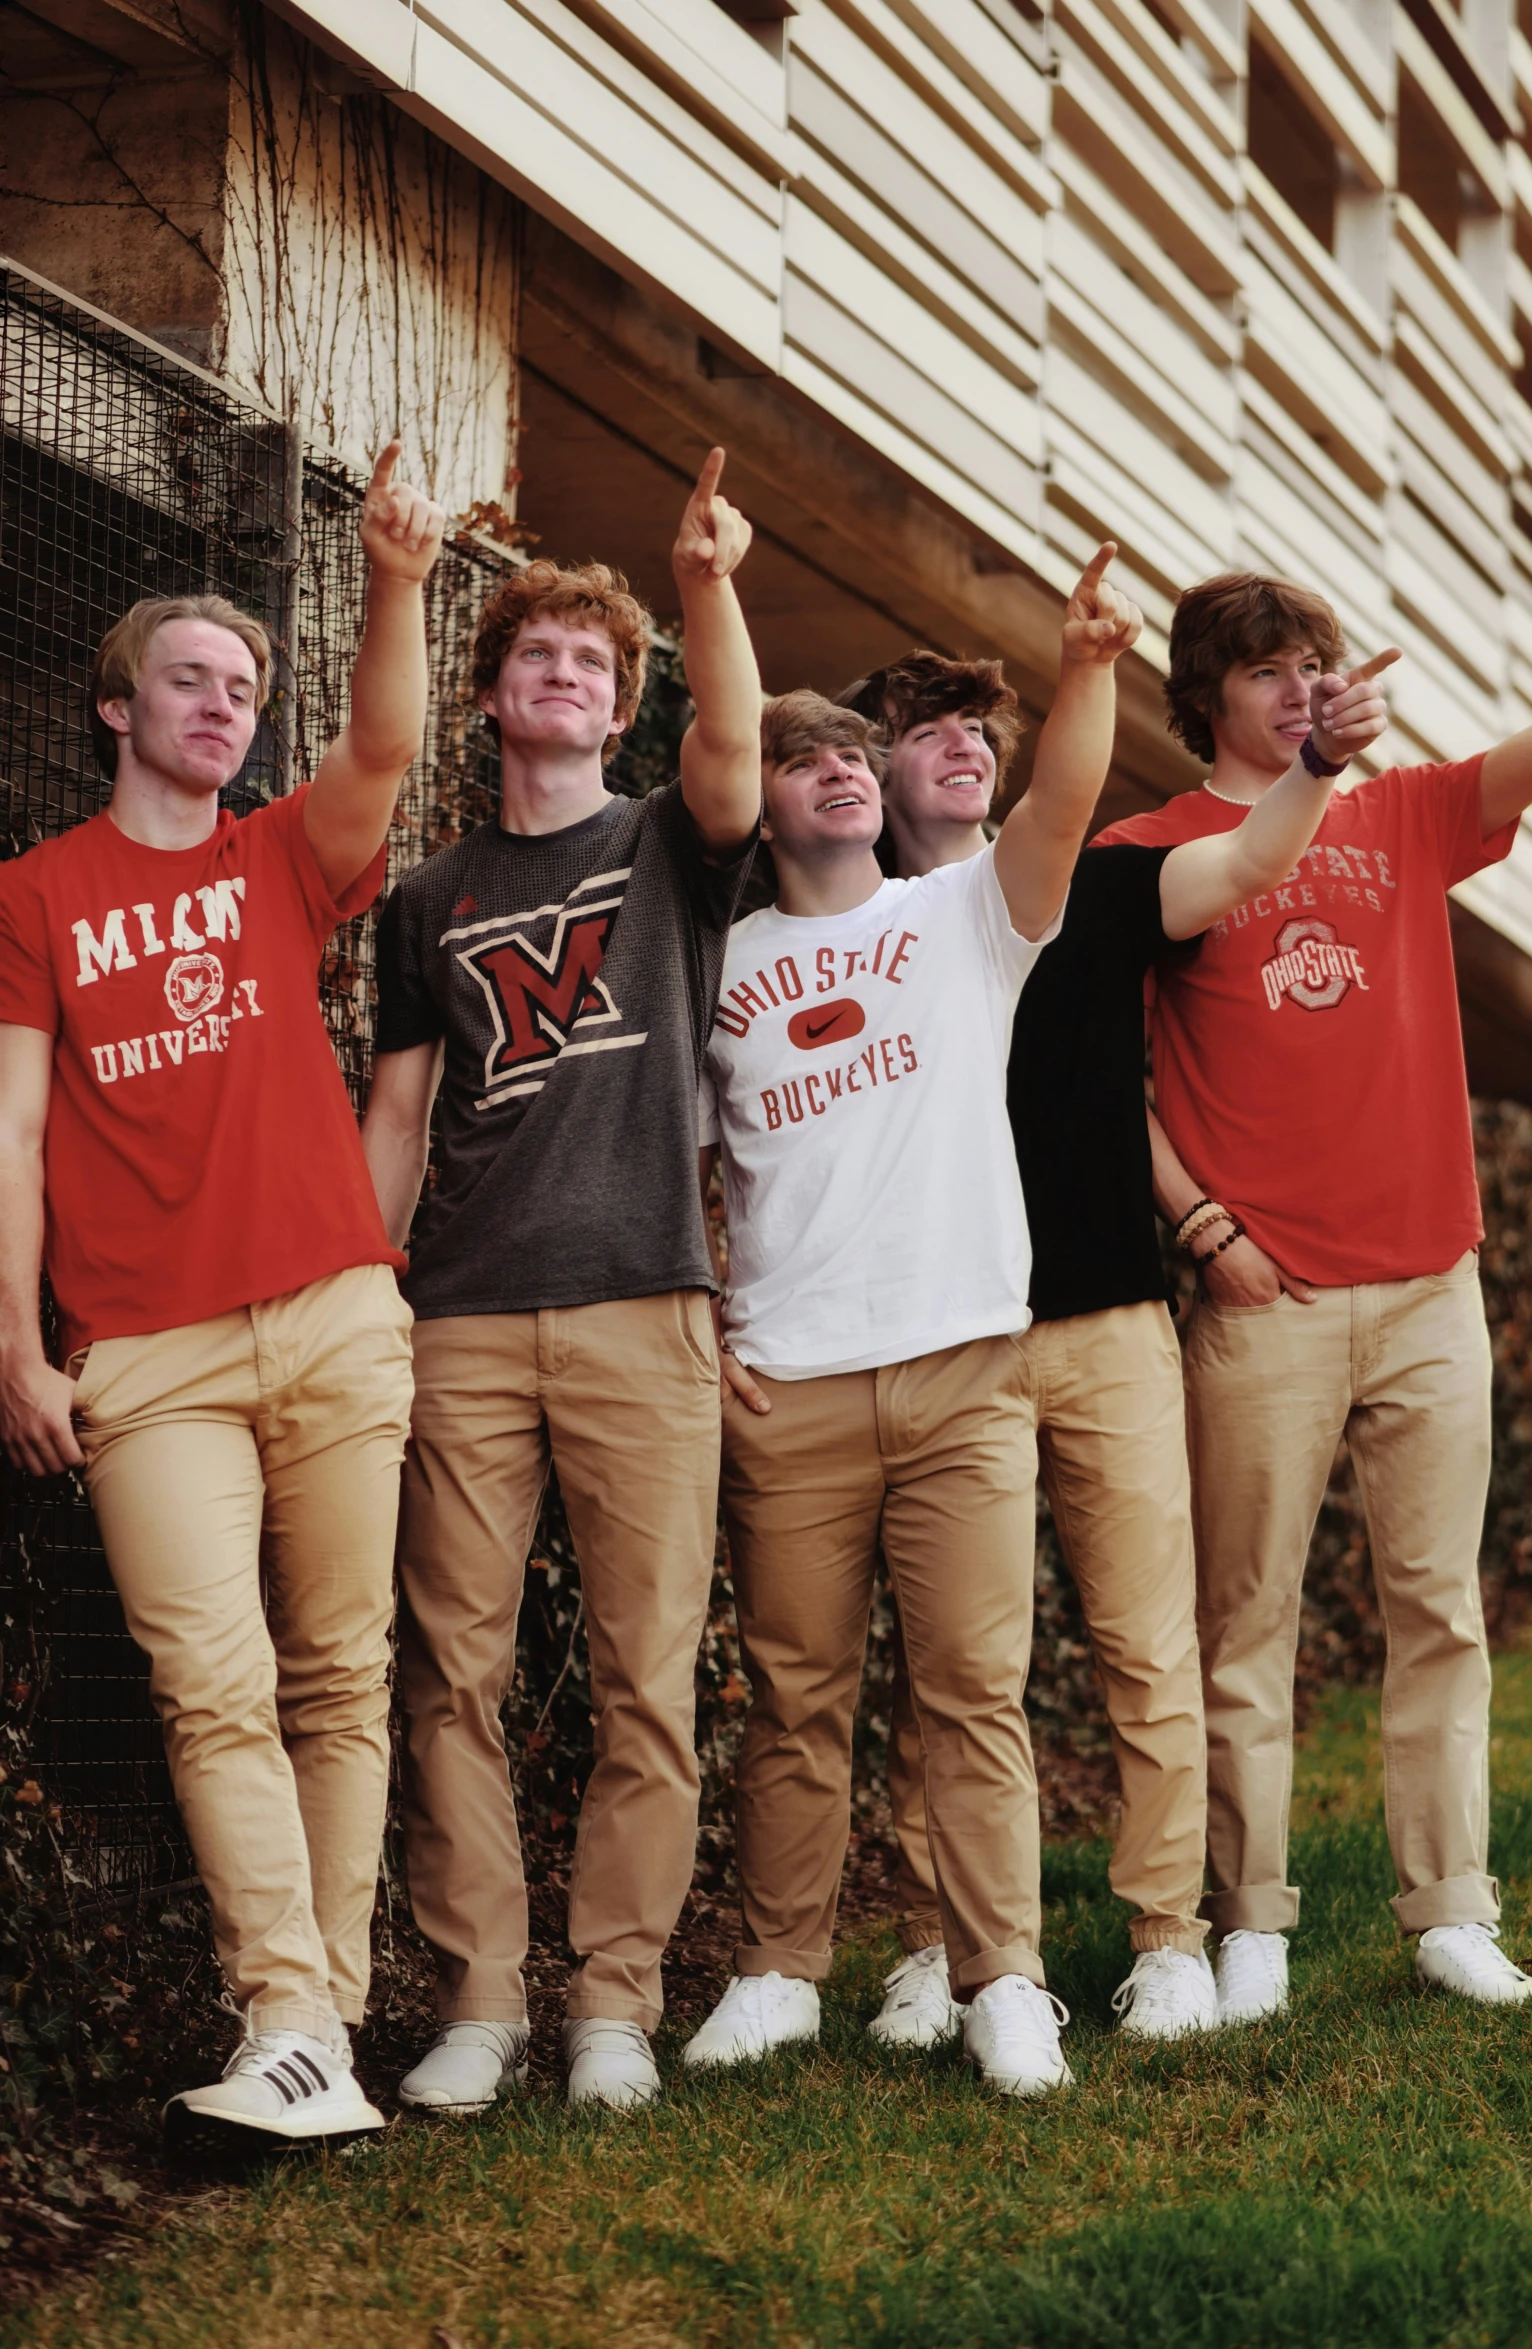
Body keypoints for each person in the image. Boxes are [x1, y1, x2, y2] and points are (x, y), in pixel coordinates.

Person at [825, 637, 1395, 2045]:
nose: (966, 744)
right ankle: (929, 1939)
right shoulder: (856, 928)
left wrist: (1317, 763)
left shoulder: (1102, 882)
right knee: (953, 1669)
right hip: (941, 1335)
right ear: (876, 766)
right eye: (929, 727)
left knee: (1147, 1645)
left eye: (981, 727)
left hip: (1111, 1323)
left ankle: (1167, 1940)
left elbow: (1254, 862)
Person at [0, 446, 446, 2138]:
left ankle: (304, 2036)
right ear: (118, 708)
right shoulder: (37, 898)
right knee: (213, 1682)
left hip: (336, 1310)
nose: (224, 704)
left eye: (246, 685)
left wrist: (394, 574)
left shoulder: (275, 863)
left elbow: (386, 749)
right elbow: (14, 1129)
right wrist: (19, 1350)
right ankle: (294, 2010)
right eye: (190, 677)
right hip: (147, 1357)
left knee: (339, 1674)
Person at [684, 546, 1139, 2100]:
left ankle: (1002, 1979)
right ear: (767, 799)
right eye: (796, 759)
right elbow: (679, 1165)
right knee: (797, 1706)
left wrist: (1085, 669)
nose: (829, 775)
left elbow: (1064, 807)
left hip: (959, 1373)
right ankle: (777, 1974)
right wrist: (705, 1324)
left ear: (880, 787)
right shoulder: (723, 966)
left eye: (844, 756)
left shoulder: (967, 925)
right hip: (788, 1388)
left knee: (972, 1696)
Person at [1096, 569, 1532, 2021]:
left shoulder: (1404, 812)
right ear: (1206, 696)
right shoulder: (1148, 846)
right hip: (1264, 1298)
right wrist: (1203, 1224)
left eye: (1318, 663)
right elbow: (1103, 1081)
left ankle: (1450, 1912)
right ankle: (1252, 1924)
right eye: (1269, 669)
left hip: (1430, 1281)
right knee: (1249, 1625)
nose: (1303, 688)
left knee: (1439, 1613)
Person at [360, 451, 761, 2115]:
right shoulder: (424, 900)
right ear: (493, 696)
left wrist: (706, 583)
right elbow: (396, 1115)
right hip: (455, 1315)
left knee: (640, 1671)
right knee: (449, 1670)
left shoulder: (675, 843)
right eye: (539, 655)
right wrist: (369, 1295)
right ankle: (479, 2000)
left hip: (641, 1305)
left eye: (597, 664)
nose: (567, 674)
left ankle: (611, 2002)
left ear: (623, 709)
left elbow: (735, 750)